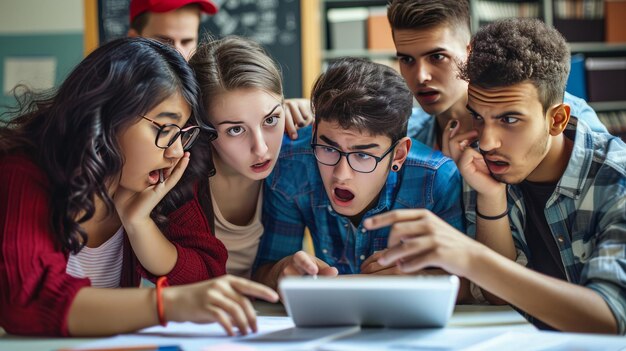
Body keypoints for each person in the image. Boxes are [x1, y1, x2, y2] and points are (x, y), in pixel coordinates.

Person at [0, 37, 278, 337]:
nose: (174, 151)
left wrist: (139, 224)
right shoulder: (23, 172)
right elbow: (25, 301)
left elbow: (208, 277)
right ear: (107, 114)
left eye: (181, 133)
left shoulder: (158, 178)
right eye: (163, 129)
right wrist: (164, 304)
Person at [365, 18, 626, 334]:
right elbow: (496, 294)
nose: (487, 141)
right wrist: (490, 196)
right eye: (478, 117)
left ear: (557, 119)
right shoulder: (482, 165)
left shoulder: (616, 178)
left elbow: (610, 318)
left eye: (510, 119)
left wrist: (469, 257)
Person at [253, 57, 466, 294]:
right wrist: (281, 271)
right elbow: (264, 271)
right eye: (328, 148)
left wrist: (420, 278)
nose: (341, 175)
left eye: (363, 156)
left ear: (398, 154)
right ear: (314, 132)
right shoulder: (291, 163)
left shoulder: (437, 179)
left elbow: (469, 282)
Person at [386, 0, 608, 151]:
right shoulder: (407, 134)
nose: (421, 76)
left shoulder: (552, 112)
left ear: (469, 52)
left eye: (437, 57)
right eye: (407, 60)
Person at [188, 35, 300, 278]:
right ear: (204, 129)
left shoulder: (297, 160)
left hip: (267, 312)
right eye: (235, 130)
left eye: (270, 120)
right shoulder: (182, 179)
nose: (261, 149)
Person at [128, 0, 312, 140]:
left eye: (186, 41)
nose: (177, 53)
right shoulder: (117, 101)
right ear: (133, 40)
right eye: (164, 41)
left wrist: (280, 109)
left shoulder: (207, 86)